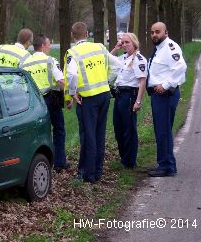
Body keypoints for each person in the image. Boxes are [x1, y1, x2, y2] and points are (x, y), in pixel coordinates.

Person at [64, 22, 120, 183]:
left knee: (89, 136)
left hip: (88, 98)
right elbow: (117, 66)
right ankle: (98, 173)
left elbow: (72, 75)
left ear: (72, 35)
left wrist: (74, 93)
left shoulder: (72, 52)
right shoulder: (100, 47)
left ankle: (88, 175)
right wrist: (106, 81)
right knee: (100, 134)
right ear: (87, 34)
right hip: (104, 95)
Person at [22, 34, 69, 172]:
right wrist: (70, 95)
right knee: (59, 130)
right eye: (48, 45)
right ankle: (59, 163)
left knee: (38, 134)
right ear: (42, 46)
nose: (49, 47)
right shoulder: (50, 61)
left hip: (32, 103)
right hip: (50, 100)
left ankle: (38, 164)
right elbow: (60, 81)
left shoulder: (24, 63)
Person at [146, 22, 187, 177]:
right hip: (159, 96)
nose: (154, 35)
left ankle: (166, 166)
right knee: (162, 130)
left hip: (165, 95)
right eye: (152, 32)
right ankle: (166, 163)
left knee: (163, 131)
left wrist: (165, 84)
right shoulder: (160, 49)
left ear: (166, 32)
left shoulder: (170, 47)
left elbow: (181, 67)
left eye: (157, 32)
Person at [110, 32, 147, 169]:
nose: (124, 45)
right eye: (123, 42)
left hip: (129, 95)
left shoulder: (139, 59)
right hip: (119, 95)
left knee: (129, 129)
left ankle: (130, 161)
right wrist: (116, 47)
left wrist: (138, 101)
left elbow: (142, 81)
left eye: (127, 42)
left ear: (134, 43)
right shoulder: (124, 57)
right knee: (118, 127)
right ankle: (124, 157)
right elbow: (108, 59)